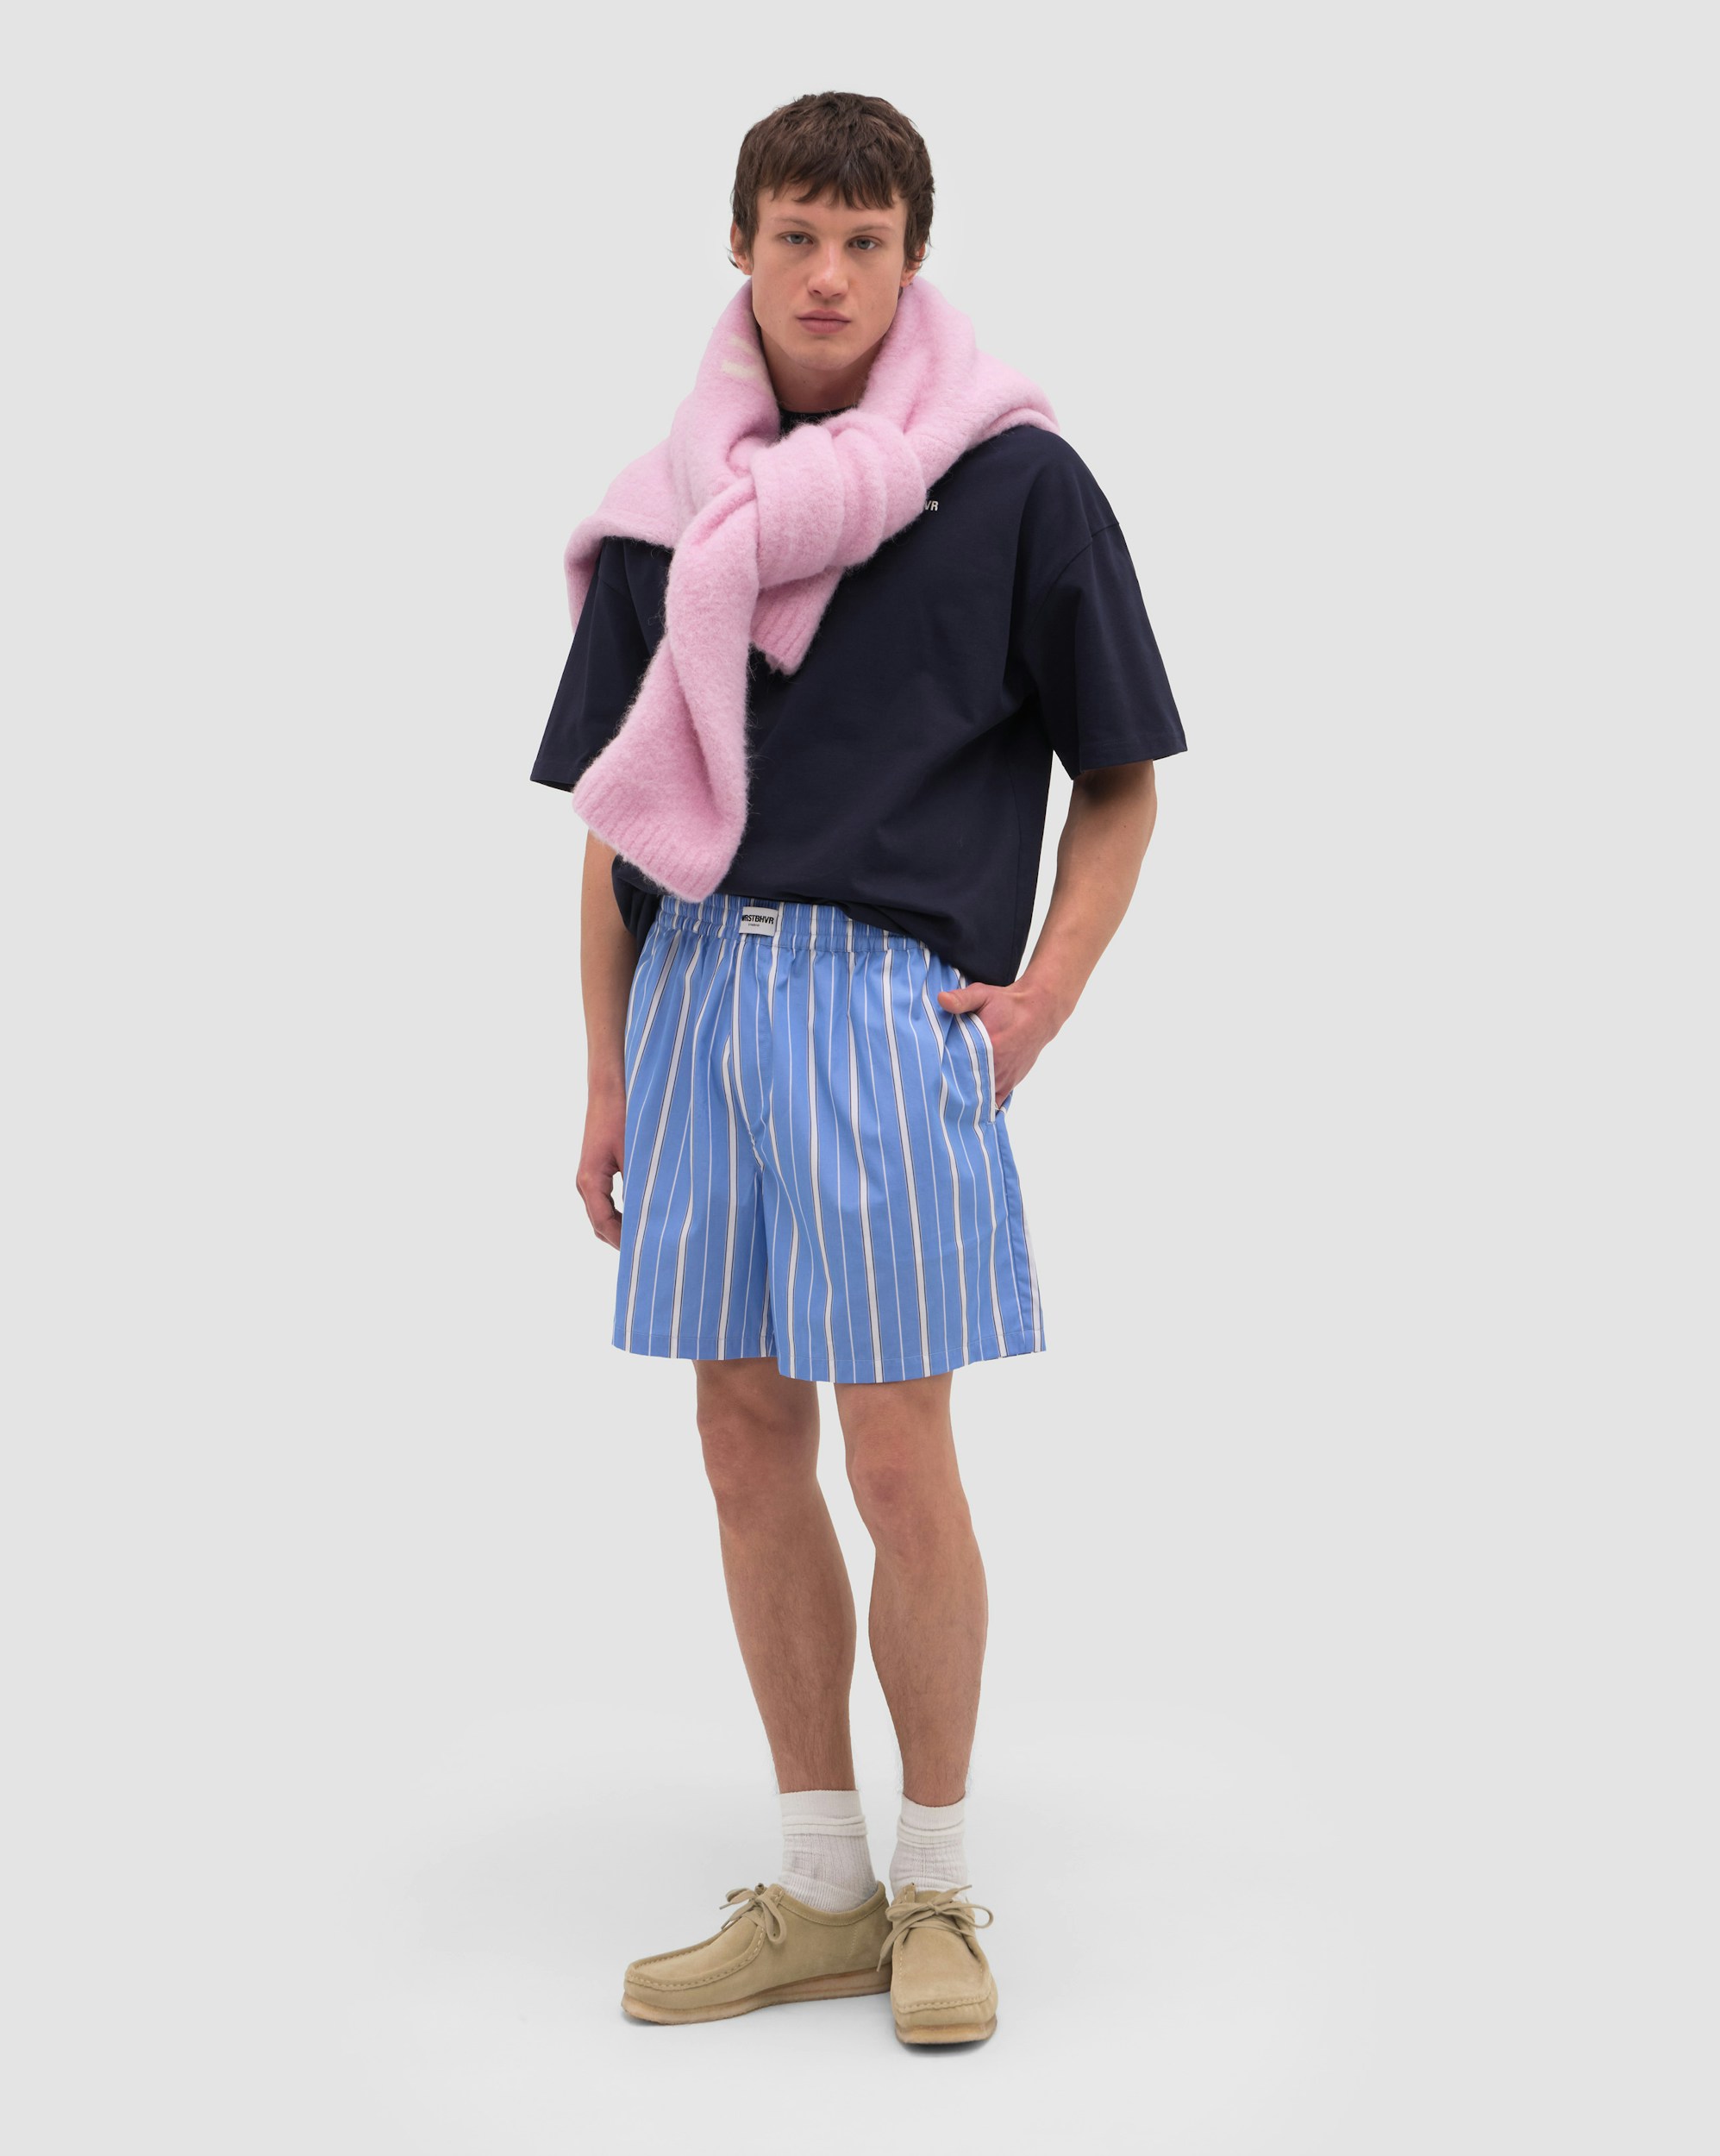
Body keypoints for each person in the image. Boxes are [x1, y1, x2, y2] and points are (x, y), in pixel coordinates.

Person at [530, 90, 1185, 2046]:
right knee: (744, 1436)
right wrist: (606, 1074)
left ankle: (941, 1884)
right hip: (697, 995)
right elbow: (616, 825)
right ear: (741, 247)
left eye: (865, 241)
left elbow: (1122, 778)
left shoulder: (1014, 483)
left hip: (888, 1004)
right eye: (797, 235)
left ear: (913, 261)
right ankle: (822, 1885)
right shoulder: (673, 513)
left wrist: (1043, 996)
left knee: (899, 1450)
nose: (828, 275)